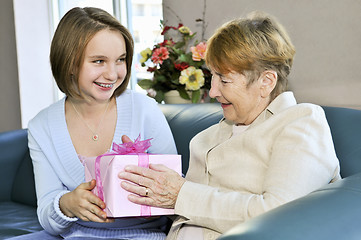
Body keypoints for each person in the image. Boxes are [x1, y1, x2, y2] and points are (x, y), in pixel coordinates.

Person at [117, 11, 341, 240]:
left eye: (224, 80)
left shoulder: (301, 122)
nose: (213, 91)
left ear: (266, 82)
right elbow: (187, 209)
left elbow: (281, 215)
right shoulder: (206, 138)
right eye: (212, 76)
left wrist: (180, 195)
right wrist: (146, 190)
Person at [22, 7, 177, 240]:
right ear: (70, 63)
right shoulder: (41, 127)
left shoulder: (144, 110)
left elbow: (179, 197)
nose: (113, 74)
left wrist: (150, 188)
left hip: (145, 235)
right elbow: (47, 215)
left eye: (120, 60)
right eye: (99, 61)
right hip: (77, 235)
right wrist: (67, 204)